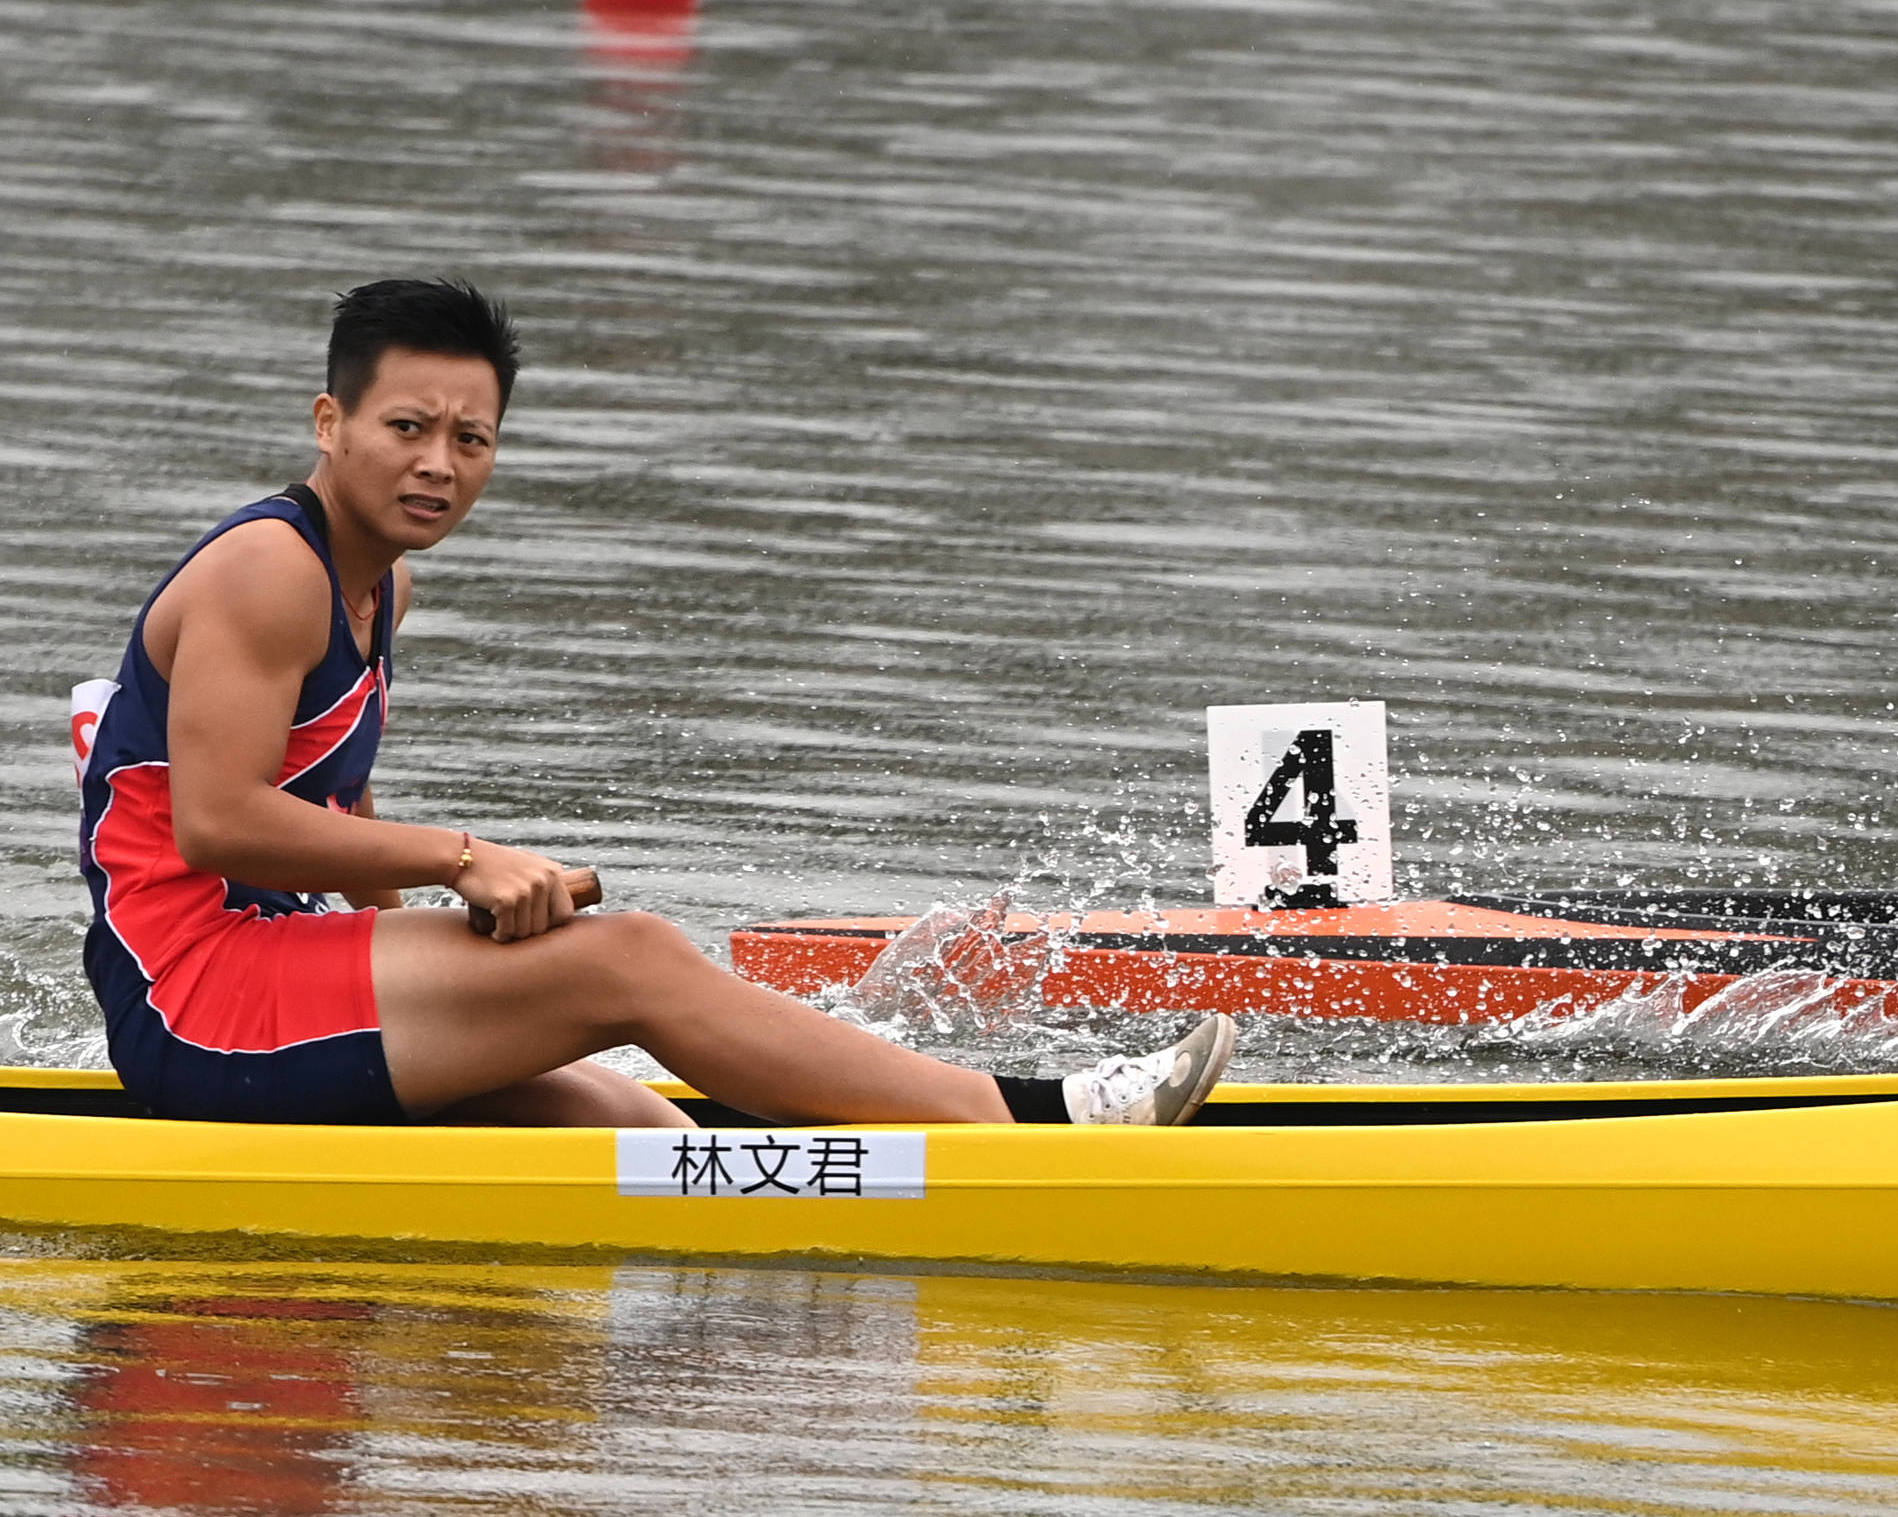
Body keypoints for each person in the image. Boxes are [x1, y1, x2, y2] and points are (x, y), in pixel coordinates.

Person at [75, 278, 1238, 1126]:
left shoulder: (383, 585)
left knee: (643, 1134)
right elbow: (217, 823)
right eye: (407, 428)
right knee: (629, 957)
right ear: (329, 424)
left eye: (472, 438)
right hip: (195, 999)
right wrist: (465, 859)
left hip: (278, 962)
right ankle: (1031, 1126)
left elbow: (341, 817)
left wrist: (471, 927)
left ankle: (891, 1161)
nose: (439, 462)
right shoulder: (267, 569)